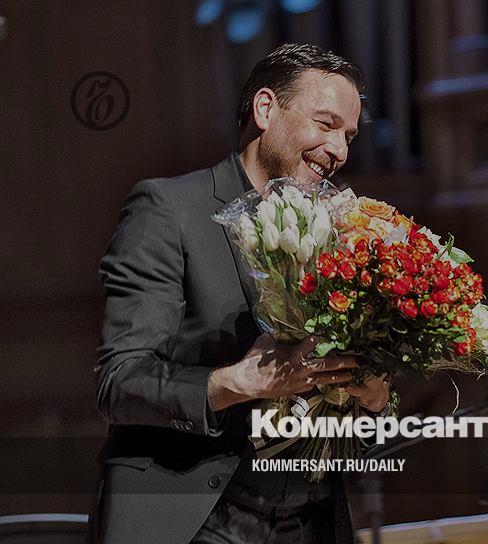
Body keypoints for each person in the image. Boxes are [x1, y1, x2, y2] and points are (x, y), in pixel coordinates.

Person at [90, 44, 389, 544]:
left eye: (349, 136)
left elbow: (347, 415)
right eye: (326, 124)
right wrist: (236, 381)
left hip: (309, 522)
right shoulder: (169, 210)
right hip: (195, 521)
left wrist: (375, 397)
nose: (340, 151)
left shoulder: (343, 232)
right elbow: (120, 383)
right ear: (265, 109)